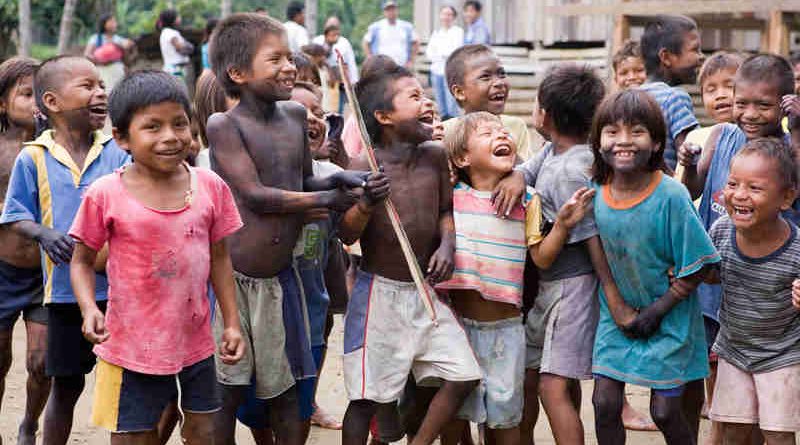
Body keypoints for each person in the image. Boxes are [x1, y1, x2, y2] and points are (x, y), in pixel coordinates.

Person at [207, 13, 368, 445]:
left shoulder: (295, 115)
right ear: (238, 73)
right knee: (228, 387)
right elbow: (257, 195)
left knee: (289, 386)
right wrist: (325, 199)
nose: (288, 67)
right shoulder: (225, 126)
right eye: (274, 59)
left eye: (288, 57)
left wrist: (339, 180)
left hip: (284, 278)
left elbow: (302, 181)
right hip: (236, 281)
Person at [68, 69, 244, 444]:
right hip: (131, 344)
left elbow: (220, 259)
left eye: (179, 123)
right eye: (153, 127)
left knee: (204, 430)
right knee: (135, 434)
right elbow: (82, 261)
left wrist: (231, 322)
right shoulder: (105, 194)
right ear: (121, 137)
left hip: (195, 340)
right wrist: (89, 309)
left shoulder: (210, 186)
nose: (170, 137)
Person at [338, 62, 482, 445]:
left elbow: (445, 211)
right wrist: (367, 203)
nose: (428, 103)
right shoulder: (363, 165)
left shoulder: (435, 156)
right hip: (379, 296)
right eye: (415, 97)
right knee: (366, 396)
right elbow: (345, 232)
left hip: (425, 293)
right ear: (384, 116)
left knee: (463, 373)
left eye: (425, 94)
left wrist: (448, 244)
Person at [492, 64, 637, 445]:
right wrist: (517, 175)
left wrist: (612, 295)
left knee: (551, 387)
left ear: (546, 116)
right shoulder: (557, 153)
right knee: (556, 378)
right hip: (553, 288)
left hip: (573, 287)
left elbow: (592, 238)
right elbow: (530, 167)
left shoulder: (570, 171)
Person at [1, 55, 130, 445]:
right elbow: (15, 213)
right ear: (53, 103)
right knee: (66, 384)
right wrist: (43, 233)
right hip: (59, 289)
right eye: (87, 86)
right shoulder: (33, 156)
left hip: (117, 290)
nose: (100, 93)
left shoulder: (117, 152)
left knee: (122, 385)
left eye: (101, 86)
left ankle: (31, 426)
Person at [590, 89, 719, 445]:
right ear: (598, 140)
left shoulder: (671, 195)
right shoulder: (596, 190)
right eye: (612, 132)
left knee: (665, 411)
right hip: (616, 313)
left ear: (657, 141)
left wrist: (658, 310)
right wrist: (616, 302)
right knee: (603, 402)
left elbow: (700, 263)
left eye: (636, 131)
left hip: (670, 313)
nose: (623, 141)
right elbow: (593, 241)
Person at [704, 138, 800, 445]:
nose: (739, 195)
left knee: (778, 433)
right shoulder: (720, 230)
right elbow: (710, 276)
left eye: (755, 188)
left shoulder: (797, 249)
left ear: (786, 198)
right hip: (734, 350)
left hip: (782, 355)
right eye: (733, 184)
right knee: (733, 430)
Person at [0, 56, 49, 445]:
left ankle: (29, 425)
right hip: (2, 269)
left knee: (42, 360)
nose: (35, 103)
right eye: (25, 94)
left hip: (45, 272)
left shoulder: (55, 146)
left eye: (41, 94)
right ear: (2, 103)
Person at [444, 44, 532, 160]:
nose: (499, 82)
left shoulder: (515, 126)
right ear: (459, 92)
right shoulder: (446, 132)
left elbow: (525, 173)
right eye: (485, 77)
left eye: (502, 74)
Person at [639, 15, 703, 171]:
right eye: (695, 49)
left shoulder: (628, 97)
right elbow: (693, 158)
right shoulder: (674, 98)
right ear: (666, 57)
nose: (701, 57)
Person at [425, 6, 463, 120]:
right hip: (436, 71)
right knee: (440, 104)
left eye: (449, 14)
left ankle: (455, 127)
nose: (446, 17)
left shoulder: (457, 32)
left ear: (454, 17)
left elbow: (454, 51)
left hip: (449, 71)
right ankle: (444, 129)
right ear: (440, 16)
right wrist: (440, 55)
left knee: (451, 103)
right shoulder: (436, 33)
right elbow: (429, 52)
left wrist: (440, 54)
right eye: (444, 14)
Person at [83, 14, 135, 92]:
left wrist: (125, 49)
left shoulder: (119, 40)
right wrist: (100, 61)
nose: (114, 24)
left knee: (118, 93)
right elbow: (87, 55)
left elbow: (128, 62)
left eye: (115, 22)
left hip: (117, 72)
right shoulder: (95, 38)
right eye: (111, 21)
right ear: (104, 24)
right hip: (102, 72)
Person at [362, 1, 419, 69]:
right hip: (381, 66)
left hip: (401, 66)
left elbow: (416, 42)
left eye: (393, 9)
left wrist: (411, 61)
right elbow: (365, 42)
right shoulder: (376, 27)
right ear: (384, 12)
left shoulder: (407, 27)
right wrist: (370, 58)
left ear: (397, 10)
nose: (391, 12)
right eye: (388, 10)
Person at [158, 9, 194, 80]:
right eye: (177, 16)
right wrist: (190, 47)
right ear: (172, 19)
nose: (180, 18)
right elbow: (181, 48)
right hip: (175, 69)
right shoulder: (170, 33)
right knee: (179, 89)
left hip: (173, 68)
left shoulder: (166, 32)